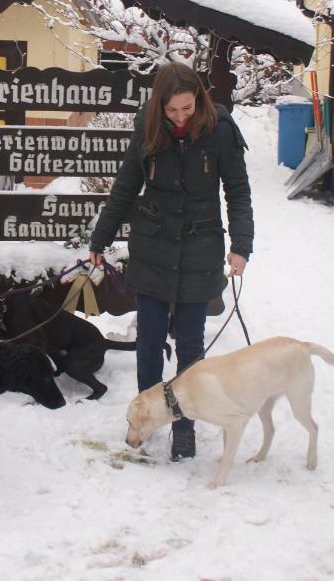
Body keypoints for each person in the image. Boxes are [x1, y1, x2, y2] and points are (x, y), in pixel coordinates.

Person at [89, 62, 253, 460]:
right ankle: (147, 413)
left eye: (188, 108)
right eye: (172, 110)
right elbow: (127, 185)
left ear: (199, 99)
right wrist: (101, 237)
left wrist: (241, 245)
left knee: (191, 345)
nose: (180, 117)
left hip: (200, 245)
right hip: (153, 245)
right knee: (148, 340)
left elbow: (238, 190)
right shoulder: (148, 127)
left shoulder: (220, 130)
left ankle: (185, 424)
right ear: (159, 105)